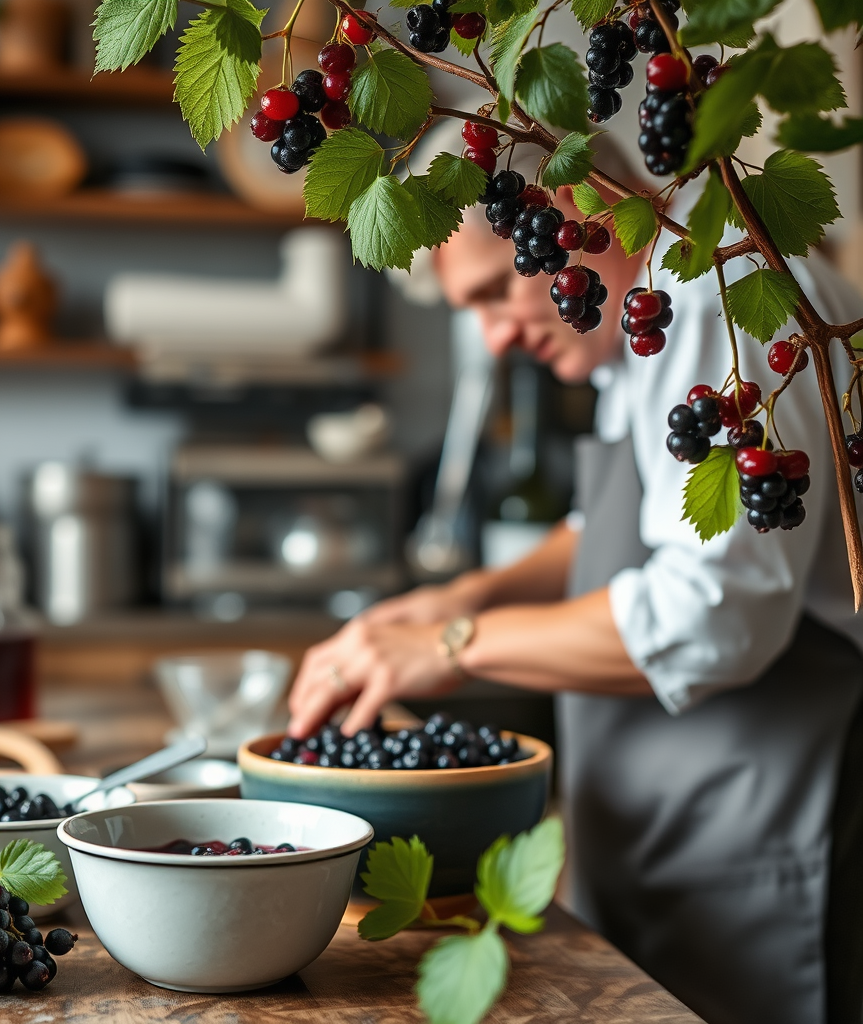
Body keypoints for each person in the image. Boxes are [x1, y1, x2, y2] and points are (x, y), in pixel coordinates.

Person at [285, 168, 863, 1024]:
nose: (493, 339)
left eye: (491, 294)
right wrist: (457, 599)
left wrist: (453, 645)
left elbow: (712, 617)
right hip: (681, 831)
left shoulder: (717, 303)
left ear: (569, 213)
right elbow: (604, 528)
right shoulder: (644, 328)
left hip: (773, 827)